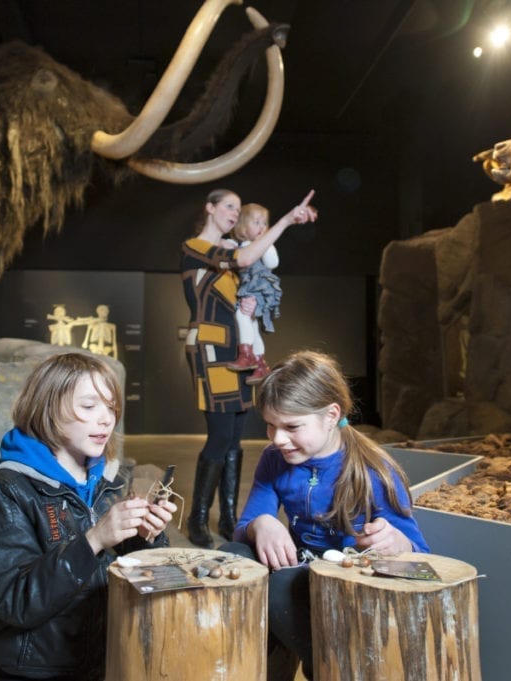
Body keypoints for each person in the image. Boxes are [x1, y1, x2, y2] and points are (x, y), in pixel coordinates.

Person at [221, 350, 429, 680]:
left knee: (282, 588)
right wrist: (262, 524)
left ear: (331, 415)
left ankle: (327, 667)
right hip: (299, 563)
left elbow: (420, 553)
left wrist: (397, 540)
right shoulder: (274, 458)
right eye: (270, 426)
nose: (278, 439)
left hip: (347, 580)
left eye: (291, 426)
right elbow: (243, 527)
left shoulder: (373, 468)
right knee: (231, 557)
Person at [0, 352, 177, 681]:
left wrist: (145, 537)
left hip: (100, 662)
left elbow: (138, 579)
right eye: (89, 406)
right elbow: (14, 601)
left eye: (111, 407)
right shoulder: (10, 489)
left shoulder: (107, 481)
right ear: (48, 407)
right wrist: (95, 539)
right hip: (36, 671)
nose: (106, 419)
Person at [181, 188, 317, 548]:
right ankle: (197, 518)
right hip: (212, 349)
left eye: (238, 208)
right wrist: (287, 220)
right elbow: (242, 259)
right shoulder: (196, 247)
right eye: (228, 206)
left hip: (238, 354)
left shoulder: (229, 252)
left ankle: (227, 517)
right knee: (220, 437)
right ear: (209, 208)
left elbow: (250, 270)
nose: (234, 212)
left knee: (235, 439)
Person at [224, 203, 282, 384]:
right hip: (248, 287)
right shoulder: (239, 244)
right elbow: (231, 252)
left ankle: (246, 353)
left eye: (264, 223)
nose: (262, 227)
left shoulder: (263, 244)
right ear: (242, 225)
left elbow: (272, 263)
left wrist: (266, 245)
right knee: (251, 323)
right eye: (256, 222)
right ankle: (260, 363)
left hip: (260, 287)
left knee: (242, 315)